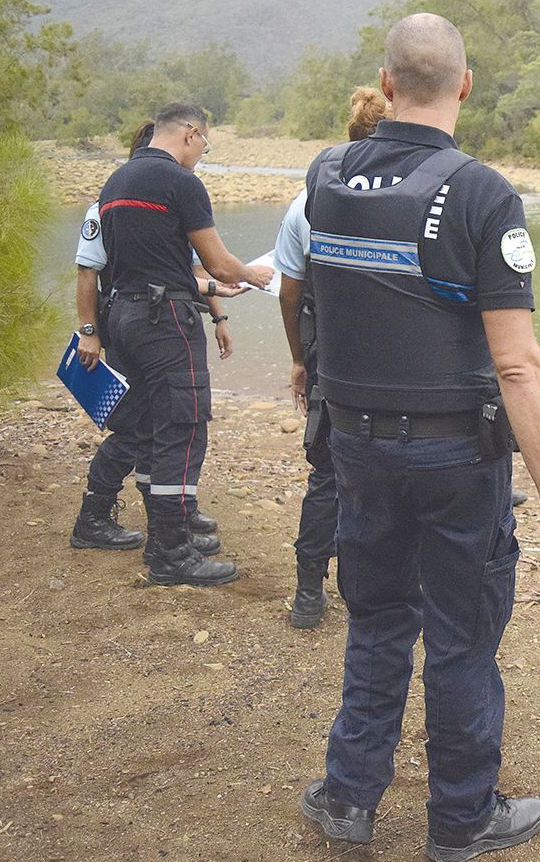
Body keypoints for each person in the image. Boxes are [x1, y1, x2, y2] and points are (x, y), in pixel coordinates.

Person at [296, 14, 540, 862]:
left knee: (379, 617)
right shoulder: (481, 194)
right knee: (461, 635)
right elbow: (519, 363)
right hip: (454, 460)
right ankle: (460, 817)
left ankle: (349, 796)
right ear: (464, 86)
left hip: (354, 449)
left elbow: (319, 298)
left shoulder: (325, 176)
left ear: (386, 85)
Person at [87, 103, 274, 587]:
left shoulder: (116, 181)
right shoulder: (181, 183)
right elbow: (217, 262)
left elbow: (142, 263)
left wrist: (212, 293)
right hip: (165, 320)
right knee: (182, 426)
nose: (201, 157)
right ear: (190, 134)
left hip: (122, 316)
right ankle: (170, 554)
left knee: (148, 424)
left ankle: (166, 535)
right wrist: (255, 274)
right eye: (204, 147)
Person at [70, 121, 230, 555]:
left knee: (157, 423)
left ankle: (174, 513)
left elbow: (187, 271)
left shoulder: (161, 201)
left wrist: (219, 311)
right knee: (143, 425)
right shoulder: (109, 204)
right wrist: (88, 333)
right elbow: (88, 272)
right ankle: (97, 516)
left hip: (143, 315)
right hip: (137, 319)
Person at [275, 86, 390, 628]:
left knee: (326, 472)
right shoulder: (416, 195)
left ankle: (307, 592)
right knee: (392, 470)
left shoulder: (308, 201)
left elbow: (289, 292)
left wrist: (299, 358)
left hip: (331, 357)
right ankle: (374, 584)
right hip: (398, 359)